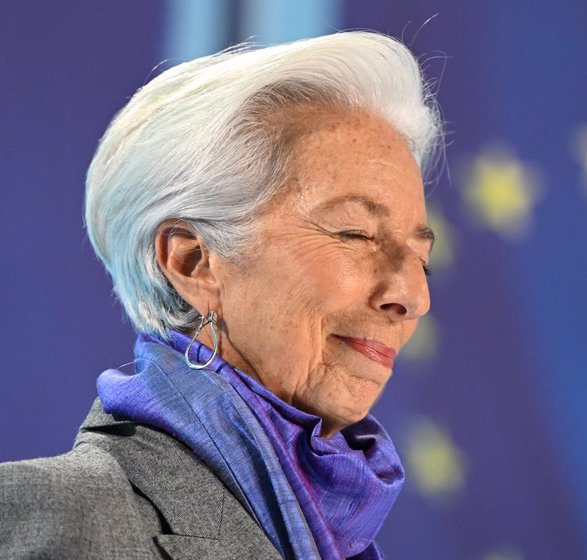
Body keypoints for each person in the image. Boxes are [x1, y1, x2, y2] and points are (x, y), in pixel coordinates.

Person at [0, 31, 441, 559]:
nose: (412, 295)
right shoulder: (54, 515)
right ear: (193, 261)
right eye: (355, 233)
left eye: (422, 258)